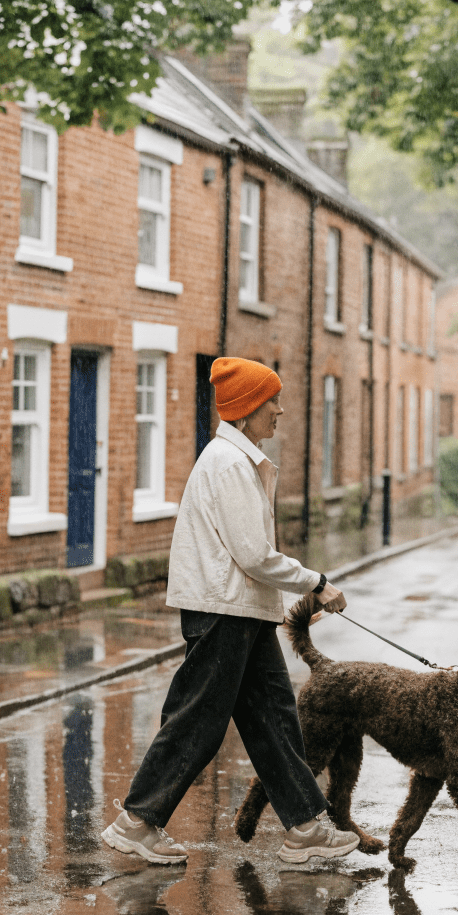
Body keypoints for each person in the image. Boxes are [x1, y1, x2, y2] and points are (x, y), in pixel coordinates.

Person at [102, 356, 358, 867]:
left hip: (242, 611)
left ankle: (305, 828)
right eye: (272, 402)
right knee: (198, 719)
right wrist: (317, 583)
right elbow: (254, 554)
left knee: (274, 721)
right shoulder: (228, 464)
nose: (280, 411)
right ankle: (137, 821)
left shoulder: (238, 460)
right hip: (224, 612)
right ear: (246, 410)